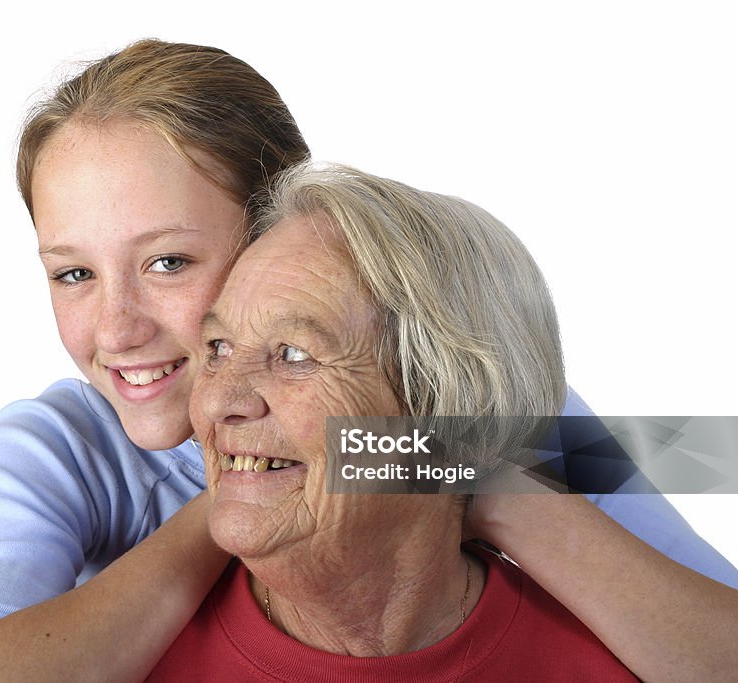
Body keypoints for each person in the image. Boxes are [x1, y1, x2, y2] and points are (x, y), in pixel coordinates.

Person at [0, 40, 738, 683]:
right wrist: (262, 488)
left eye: (169, 262)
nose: (119, 326)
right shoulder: (51, 445)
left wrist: (484, 473)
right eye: (73, 273)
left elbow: (708, 455)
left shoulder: (481, 391)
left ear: (278, 233)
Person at [151, 163, 711, 680]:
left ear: (444, 405)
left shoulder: (615, 654)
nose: (218, 401)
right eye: (218, 347)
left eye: (295, 354)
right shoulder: (136, 656)